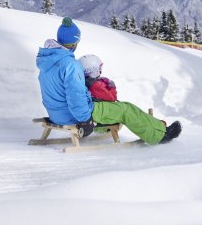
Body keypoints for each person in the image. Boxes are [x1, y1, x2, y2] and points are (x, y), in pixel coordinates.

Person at [36, 17, 182, 145]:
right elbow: (76, 96)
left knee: (105, 104)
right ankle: (160, 135)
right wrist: (85, 119)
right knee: (126, 109)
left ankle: (145, 126)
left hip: (56, 114)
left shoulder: (47, 62)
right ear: (74, 42)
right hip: (73, 115)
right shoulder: (70, 65)